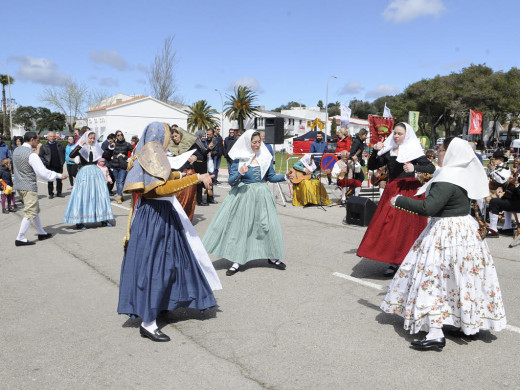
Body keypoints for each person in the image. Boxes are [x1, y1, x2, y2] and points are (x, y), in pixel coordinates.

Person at [381, 137, 506, 350]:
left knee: (433, 279)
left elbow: (429, 208)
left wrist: (398, 200)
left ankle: (435, 331)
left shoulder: (448, 176)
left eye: (441, 149)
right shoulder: (461, 174)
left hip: (446, 233)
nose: (437, 152)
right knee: (461, 278)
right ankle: (463, 323)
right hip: (464, 231)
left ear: (450, 153)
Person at [118, 122, 221, 342]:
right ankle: (148, 323)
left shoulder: (147, 152)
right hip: (156, 216)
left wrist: (178, 174)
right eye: (166, 134)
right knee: (156, 267)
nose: (168, 137)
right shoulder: (153, 152)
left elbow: (163, 177)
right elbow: (159, 189)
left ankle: (162, 303)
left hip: (156, 215)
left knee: (168, 263)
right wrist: (194, 178)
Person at [203, 130, 293, 276]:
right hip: (244, 195)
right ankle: (237, 260)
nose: (257, 145)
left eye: (259, 142)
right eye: (254, 142)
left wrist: (285, 176)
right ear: (247, 143)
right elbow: (232, 181)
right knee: (242, 228)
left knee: (267, 226)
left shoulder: (265, 157)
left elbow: (271, 177)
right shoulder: (240, 159)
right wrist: (241, 172)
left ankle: (272, 256)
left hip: (263, 195)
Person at [357, 122, 435, 276]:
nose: (396, 136)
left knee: (406, 227)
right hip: (392, 190)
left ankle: (407, 260)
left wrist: (415, 169)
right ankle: (394, 259)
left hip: (410, 190)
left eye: (400, 133)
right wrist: (375, 151)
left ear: (407, 135)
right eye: (395, 133)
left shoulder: (413, 150)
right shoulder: (389, 149)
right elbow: (372, 166)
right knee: (389, 226)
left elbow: (430, 168)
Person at [12, 132, 67, 246]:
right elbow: (42, 172)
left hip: (19, 185)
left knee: (34, 209)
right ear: (32, 140)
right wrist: (58, 175)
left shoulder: (17, 150)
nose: (39, 142)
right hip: (28, 186)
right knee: (30, 211)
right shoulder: (31, 155)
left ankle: (41, 232)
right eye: (37, 140)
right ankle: (20, 237)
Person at [63, 129, 114, 230]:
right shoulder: (82, 148)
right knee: (82, 196)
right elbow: (71, 155)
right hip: (84, 173)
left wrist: (110, 148)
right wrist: (79, 146)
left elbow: (105, 157)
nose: (92, 140)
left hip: (96, 172)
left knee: (100, 195)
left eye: (93, 138)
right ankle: (79, 221)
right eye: (90, 138)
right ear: (86, 138)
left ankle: (103, 219)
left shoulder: (96, 147)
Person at [168, 126, 198, 220]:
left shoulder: (190, 145)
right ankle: (177, 219)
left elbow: (200, 155)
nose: (175, 138)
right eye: (173, 137)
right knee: (177, 198)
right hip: (177, 175)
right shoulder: (171, 148)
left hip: (188, 173)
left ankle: (186, 219)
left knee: (188, 199)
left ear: (180, 135)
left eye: (176, 136)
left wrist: (195, 158)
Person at [487, 150, 519, 237]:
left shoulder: (506, 168)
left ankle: (493, 230)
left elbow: (514, 187)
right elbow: (510, 184)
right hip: (514, 199)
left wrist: (515, 184)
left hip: (518, 202)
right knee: (505, 198)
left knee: (494, 201)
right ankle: (507, 228)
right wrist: (503, 187)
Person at [107, 130, 133, 204]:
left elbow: (134, 151)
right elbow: (107, 153)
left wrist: (126, 157)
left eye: (121, 134)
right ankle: (120, 194)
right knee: (118, 181)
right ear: (116, 137)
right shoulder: (113, 144)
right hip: (114, 166)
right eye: (118, 135)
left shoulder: (127, 144)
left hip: (123, 166)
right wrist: (111, 156)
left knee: (120, 181)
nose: (120, 136)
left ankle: (119, 196)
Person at [39, 132, 66, 198]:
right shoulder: (44, 146)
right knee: (50, 180)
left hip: (59, 165)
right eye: (51, 136)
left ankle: (59, 192)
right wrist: (45, 162)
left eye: (53, 136)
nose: (52, 138)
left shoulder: (59, 145)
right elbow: (40, 156)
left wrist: (62, 161)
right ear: (47, 137)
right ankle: (51, 193)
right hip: (50, 165)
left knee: (59, 180)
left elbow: (63, 153)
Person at [193, 130, 216, 206]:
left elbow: (206, 152)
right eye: (202, 136)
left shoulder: (204, 143)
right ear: (198, 136)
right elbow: (202, 153)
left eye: (204, 136)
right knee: (199, 183)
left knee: (209, 181)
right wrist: (208, 149)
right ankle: (199, 201)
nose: (204, 137)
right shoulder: (196, 144)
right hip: (198, 165)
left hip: (204, 164)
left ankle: (210, 198)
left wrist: (209, 149)